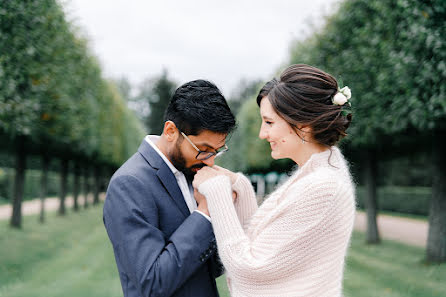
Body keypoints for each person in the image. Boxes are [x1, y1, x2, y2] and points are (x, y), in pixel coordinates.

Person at [193, 64, 356, 297]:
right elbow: (261, 243)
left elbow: (249, 269)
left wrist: (217, 191)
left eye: (269, 122)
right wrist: (241, 187)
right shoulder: (318, 174)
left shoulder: (323, 188)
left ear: (303, 125)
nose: (262, 133)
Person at [103, 79, 236, 297]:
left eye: (217, 151)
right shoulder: (128, 184)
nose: (210, 161)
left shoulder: (191, 170)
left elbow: (211, 266)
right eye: (204, 149)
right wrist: (205, 213)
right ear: (171, 131)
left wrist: (227, 210)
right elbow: (152, 282)